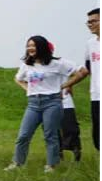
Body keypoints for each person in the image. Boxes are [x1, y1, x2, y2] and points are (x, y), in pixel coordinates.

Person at [6, 36, 76, 173]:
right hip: (33, 104)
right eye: (28, 46)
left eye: (33, 45)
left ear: (42, 47)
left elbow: (79, 72)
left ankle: (51, 165)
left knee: (50, 135)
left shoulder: (58, 63)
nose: (30, 48)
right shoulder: (27, 64)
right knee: (23, 135)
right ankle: (17, 163)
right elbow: (18, 78)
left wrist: (65, 86)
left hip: (52, 102)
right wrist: (27, 89)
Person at [62, 7, 99, 151]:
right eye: (88, 22)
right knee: (98, 136)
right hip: (96, 96)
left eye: (94, 21)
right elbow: (87, 69)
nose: (90, 24)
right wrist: (70, 83)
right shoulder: (91, 44)